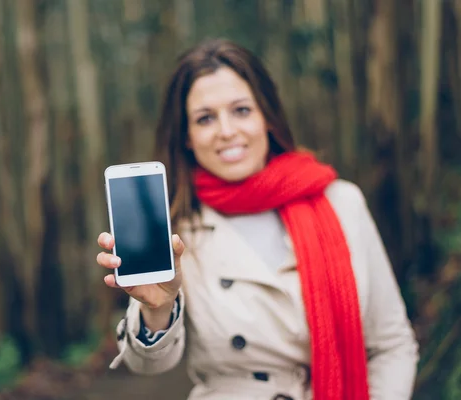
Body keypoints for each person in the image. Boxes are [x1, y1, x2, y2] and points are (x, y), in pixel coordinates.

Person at [96, 38, 419, 400]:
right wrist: (159, 309)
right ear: (186, 136)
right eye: (205, 118)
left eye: (241, 110)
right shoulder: (174, 229)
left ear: (266, 115)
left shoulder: (342, 202)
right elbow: (148, 365)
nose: (227, 131)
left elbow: (391, 344)